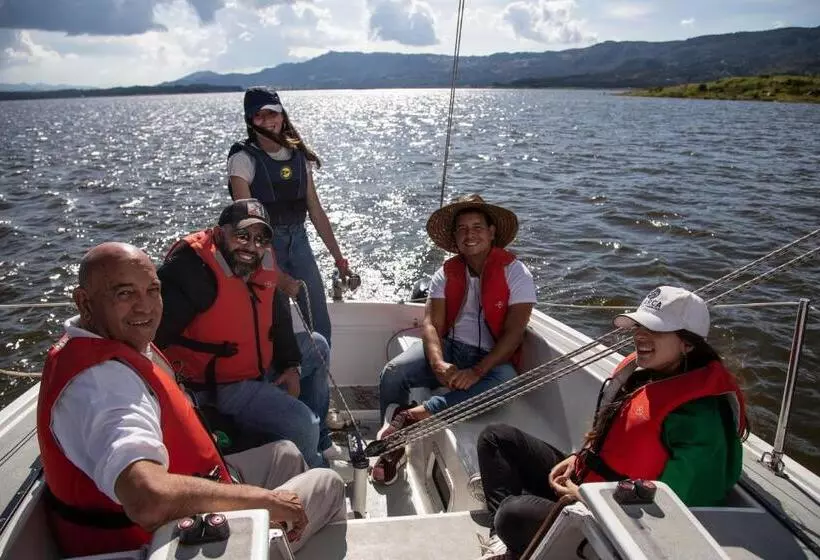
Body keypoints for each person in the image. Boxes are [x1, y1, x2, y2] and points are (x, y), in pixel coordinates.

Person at [36, 242, 345, 558]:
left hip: (193, 487)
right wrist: (264, 501)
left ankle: (281, 531)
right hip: (161, 542)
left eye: (153, 290)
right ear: (84, 302)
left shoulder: (104, 345)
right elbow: (148, 498)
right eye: (125, 293)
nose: (145, 307)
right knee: (329, 484)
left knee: (286, 454)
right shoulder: (102, 386)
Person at [473, 286, 749, 559]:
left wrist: (586, 498)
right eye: (639, 326)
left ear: (688, 343)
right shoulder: (647, 372)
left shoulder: (699, 415)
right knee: (495, 438)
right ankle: (503, 544)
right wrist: (577, 458)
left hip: (616, 523)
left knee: (513, 514)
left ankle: (513, 539)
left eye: (655, 329)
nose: (640, 335)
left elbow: (670, 509)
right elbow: (613, 440)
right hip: (586, 483)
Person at [154, 199, 343, 470]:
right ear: (220, 234)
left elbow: (277, 314)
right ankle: (313, 469)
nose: (251, 247)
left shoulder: (263, 261)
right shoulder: (193, 271)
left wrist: (291, 365)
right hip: (219, 386)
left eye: (260, 238)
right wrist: (178, 391)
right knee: (303, 423)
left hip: (257, 368)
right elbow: (152, 338)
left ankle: (317, 442)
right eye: (242, 236)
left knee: (318, 347)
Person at [372, 194, 537, 485]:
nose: (469, 234)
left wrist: (477, 371)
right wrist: (438, 363)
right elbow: (432, 325)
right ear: (455, 236)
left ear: (492, 232)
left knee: (508, 382)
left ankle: (412, 417)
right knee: (393, 374)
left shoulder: (516, 272)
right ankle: (393, 449)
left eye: (477, 227)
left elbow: (514, 333)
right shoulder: (445, 274)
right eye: (462, 229)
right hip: (452, 348)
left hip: (492, 359)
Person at [227, 86, 350, 345]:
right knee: (273, 326)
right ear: (250, 121)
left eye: (272, 112)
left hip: (300, 243)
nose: (267, 120)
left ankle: (318, 380)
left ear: (282, 115)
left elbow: (315, 210)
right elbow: (246, 221)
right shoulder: (243, 159)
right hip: (264, 249)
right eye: (258, 115)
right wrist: (274, 272)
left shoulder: (299, 157)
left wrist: (339, 259)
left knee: (319, 323)